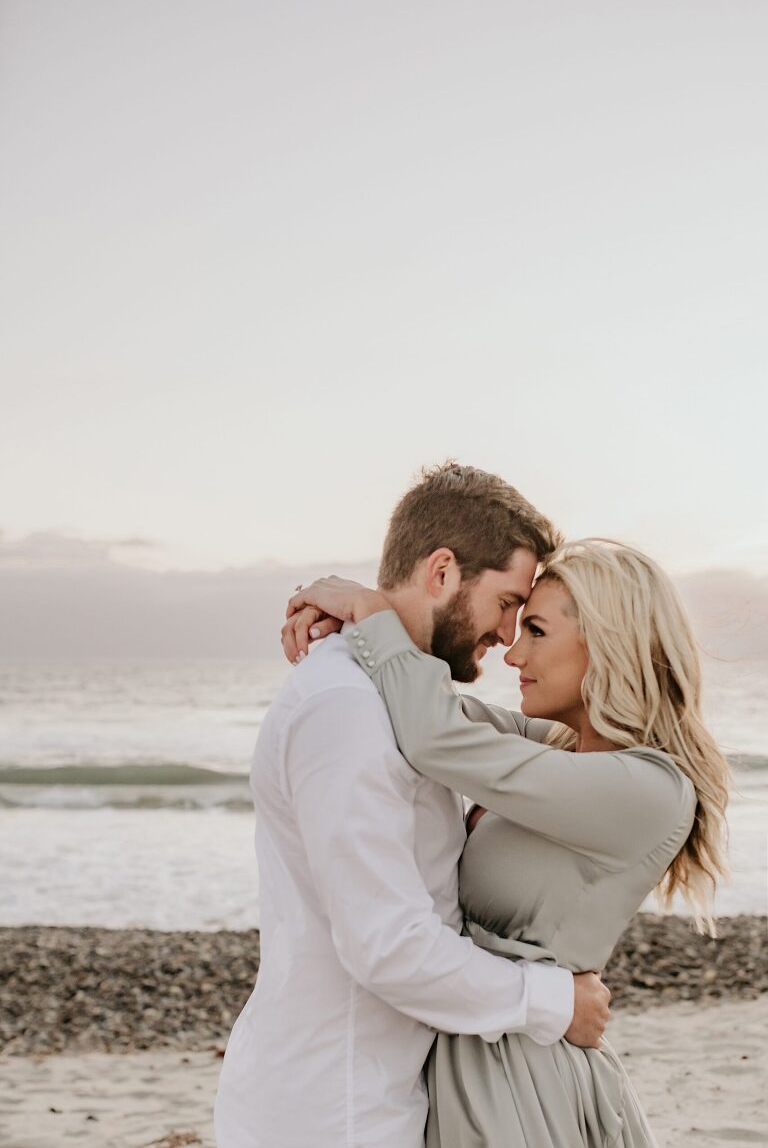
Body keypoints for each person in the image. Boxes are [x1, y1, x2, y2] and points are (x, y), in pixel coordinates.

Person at [284, 538, 730, 1147]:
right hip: (479, 1052)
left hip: (519, 1083)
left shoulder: (648, 789)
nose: (513, 654)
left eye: (537, 631)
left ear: (610, 641)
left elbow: (433, 735)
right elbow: (421, 703)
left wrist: (369, 610)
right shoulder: (550, 747)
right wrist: (352, 624)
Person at [214, 464, 611, 1148]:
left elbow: (541, 740)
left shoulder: (405, 700)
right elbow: (387, 946)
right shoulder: (346, 708)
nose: (509, 635)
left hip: (376, 1097)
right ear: (442, 572)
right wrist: (555, 1002)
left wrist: (367, 608)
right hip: (329, 1113)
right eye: (508, 601)